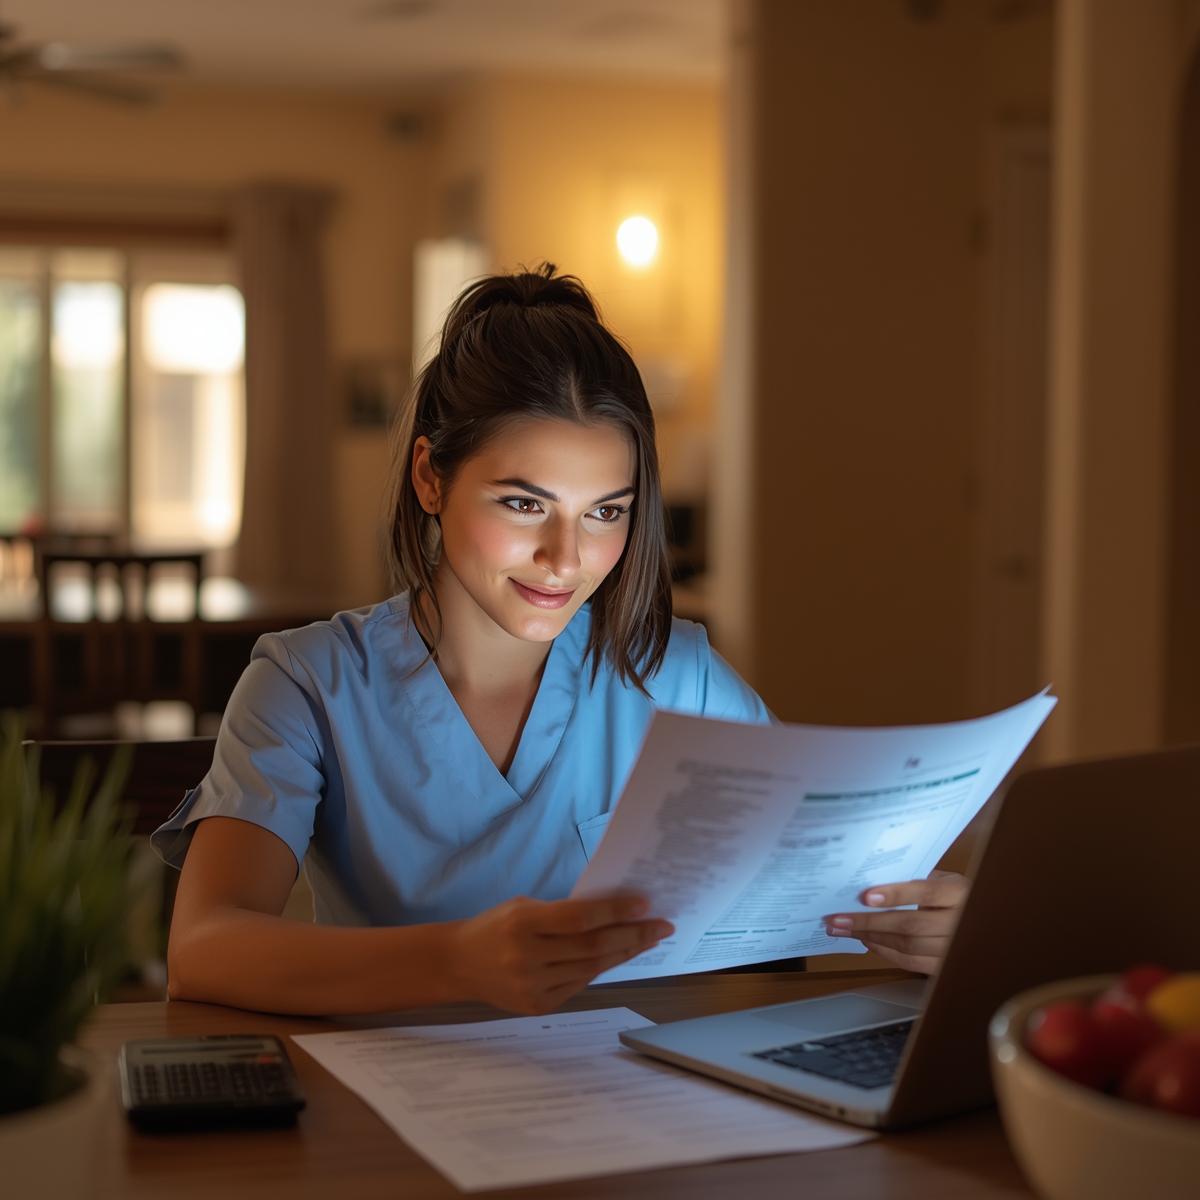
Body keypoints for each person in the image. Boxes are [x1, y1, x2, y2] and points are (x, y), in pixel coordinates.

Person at [155, 265, 967, 1017]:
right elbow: (203, 948)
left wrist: (916, 922)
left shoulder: (682, 680)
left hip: (638, 1109)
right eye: (522, 504)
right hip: (398, 1106)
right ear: (430, 477)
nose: (567, 560)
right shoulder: (306, 686)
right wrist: (456, 963)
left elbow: (825, 880)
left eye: (606, 512)